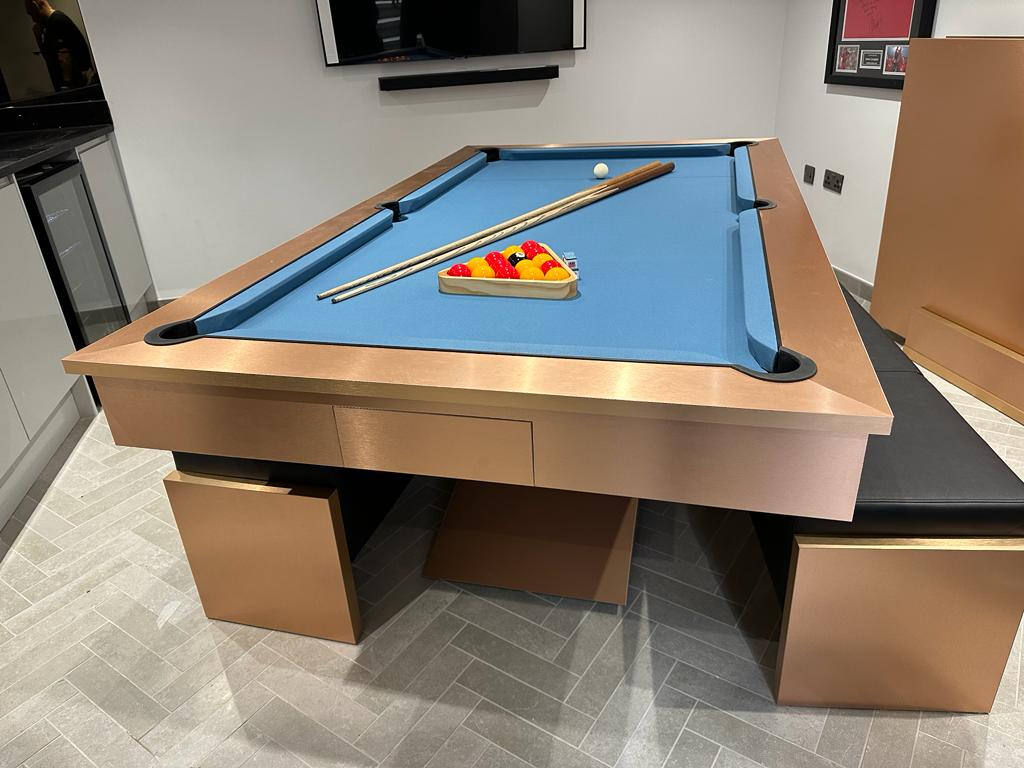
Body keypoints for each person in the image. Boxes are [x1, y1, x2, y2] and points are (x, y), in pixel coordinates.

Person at [24, 0, 96, 91]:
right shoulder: (51, 23)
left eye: (31, 14)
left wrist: (66, 85)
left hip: (76, 85)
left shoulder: (56, 21)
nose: (33, 19)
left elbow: (64, 55)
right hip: (78, 83)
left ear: (35, 6)